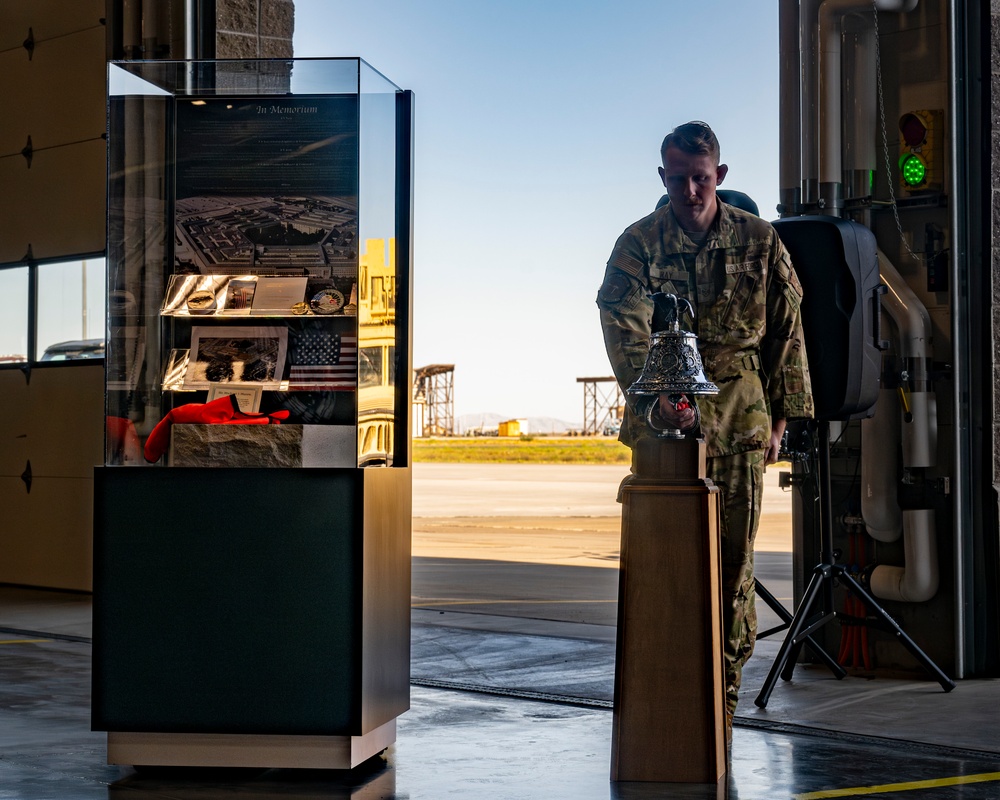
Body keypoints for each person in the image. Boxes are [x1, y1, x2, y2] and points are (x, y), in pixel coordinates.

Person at [596, 120, 814, 735]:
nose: (689, 191)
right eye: (677, 180)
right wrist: (654, 397)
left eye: (700, 179)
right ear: (662, 178)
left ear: (719, 175)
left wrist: (782, 417)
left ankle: (720, 708)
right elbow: (621, 323)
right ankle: (664, 707)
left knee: (732, 570)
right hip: (663, 430)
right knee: (662, 570)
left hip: (741, 420)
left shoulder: (760, 240)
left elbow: (787, 329)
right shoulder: (638, 244)